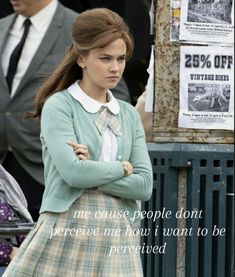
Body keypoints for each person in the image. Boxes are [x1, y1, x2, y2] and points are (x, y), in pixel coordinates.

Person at [3, 8, 153, 276]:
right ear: (82, 58)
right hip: (67, 226)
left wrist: (91, 169)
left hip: (118, 232)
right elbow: (73, 173)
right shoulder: (59, 106)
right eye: (105, 58)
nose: (115, 67)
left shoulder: (127, 113)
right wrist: (122, 168)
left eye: (120, 59)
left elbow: (143, 186)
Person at [0, 0, 131, 222]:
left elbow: (114, 95)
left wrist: (91, 149)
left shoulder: (78, 28)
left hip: (51, 171)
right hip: (3, 169)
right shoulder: (3, 26)